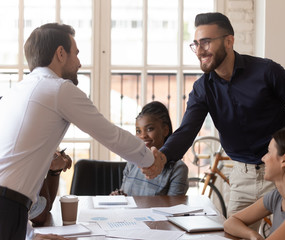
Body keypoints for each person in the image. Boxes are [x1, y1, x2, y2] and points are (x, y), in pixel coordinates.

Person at [142, 12, 285, 229]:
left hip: (282, 175)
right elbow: (186, 131)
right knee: (234, 233)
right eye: (196, 44)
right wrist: (162, 157)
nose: (199, 51)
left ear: (229, 41)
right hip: (241, 177)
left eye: (206, 42)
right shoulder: (202, 89)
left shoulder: (267, 72)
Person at [0, 23, 164, 240]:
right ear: (60, 53)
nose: (79, 62)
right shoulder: (59, 89)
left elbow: (12, 170)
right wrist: (149, 160)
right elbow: (110, 135)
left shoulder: (17, 92)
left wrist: (29, 234)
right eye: (75, 54)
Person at [111, 101, 189, 196]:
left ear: (165, 130)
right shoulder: (132, 161)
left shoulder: (178, 169)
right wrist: (118, 197)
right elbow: (125, 196)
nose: (143, 136)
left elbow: (174, 208)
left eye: (149, 129)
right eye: (138, 131)